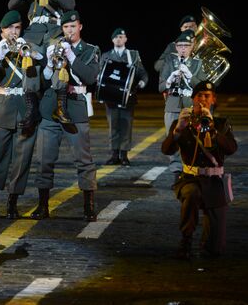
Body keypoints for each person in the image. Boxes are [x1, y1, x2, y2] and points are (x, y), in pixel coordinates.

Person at [31, 10, 100, 221]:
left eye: (73, 26)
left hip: (75, 107)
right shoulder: (54, 46)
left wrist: (71, 55)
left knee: (83, 159)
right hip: (51, 107)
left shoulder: (90, 50)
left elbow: (89, 77)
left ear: (80, 26)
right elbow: (44, 80)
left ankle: (88, 205)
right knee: (44, 159)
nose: (69, 30)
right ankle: (43, 205)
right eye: (65, 27)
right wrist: (50, 63)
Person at [161, 80, 237, 259]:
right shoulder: (183, 122)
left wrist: (213, 130)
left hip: (215, 182)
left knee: (215, 250)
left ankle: (208, 244)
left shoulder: (221, 124)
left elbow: (231, 149)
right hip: (190, 178)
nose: (203, 99)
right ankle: (185, 240)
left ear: (213, 100)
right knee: (191, 193)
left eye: (207, 96)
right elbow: (166, 150)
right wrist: (177, 131)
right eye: (199, 96)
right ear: (193, 99)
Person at [0, 10, 38, 220]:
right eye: (9, 28)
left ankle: (13, 203)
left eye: (17, 28)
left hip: (24, 107)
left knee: (22, 160)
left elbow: (37, 78)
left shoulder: (27, 49)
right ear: (1, 30)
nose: (13, 31)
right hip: (2, 107)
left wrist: (30, 55)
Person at [8, 0, 76, 130]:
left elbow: (69, 5)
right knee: (27, 59)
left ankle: (61, 108)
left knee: (59, 56)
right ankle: (31, 110)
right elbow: (11, 6)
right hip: (33, 34)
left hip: (54, 32)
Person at [159, 30, 207, 179]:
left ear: (192, 47)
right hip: (172, 105)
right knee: (173, 137)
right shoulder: (169, 62)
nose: (183, 48)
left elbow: (204, 87)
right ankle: (176, 171)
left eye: (186, 45)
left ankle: (189, 169)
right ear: (176, 47)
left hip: (190, 105)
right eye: (180, 45)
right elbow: (160, 87)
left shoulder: (198, 64)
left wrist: (190, 76)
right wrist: (169, 80)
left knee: (191, 138)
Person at [100, 28, 148, 166]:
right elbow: (100, 73)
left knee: (126, 126)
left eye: (121, 37)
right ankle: (114, 154)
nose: (119, 39)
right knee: (113, 125)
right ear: (112, 40)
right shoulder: (106, 56)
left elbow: (142, 72)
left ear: (126, 39)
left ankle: (124, 155)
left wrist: (142, 82)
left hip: (128, 97)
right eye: (116, 37)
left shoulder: (132, 55)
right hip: (111, 97)